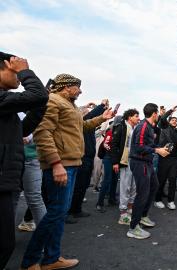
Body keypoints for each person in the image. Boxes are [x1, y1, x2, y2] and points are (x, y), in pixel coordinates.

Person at [21, 73, 114, 269]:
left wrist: (101, 118)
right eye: (77, 87)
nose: (80, 91)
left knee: (59, 213)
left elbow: (82, 126)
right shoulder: (53, 101)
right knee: (55, 213)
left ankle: (52, 258)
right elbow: (42, 132)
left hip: (70, 164)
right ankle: (30, 261)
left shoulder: (68, 105)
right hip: (61, 165)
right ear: (66, 87)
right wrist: (55, 164)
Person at [0, 52, 49, 269]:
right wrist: (26, 71)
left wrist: (40, 105)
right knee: (3, 243)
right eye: (14, 70)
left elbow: (23, 130)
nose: (18, 76)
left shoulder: (5, 101)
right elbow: (36, 95)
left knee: (5, 241)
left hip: (7, 180)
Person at [127, 103, 169, 239]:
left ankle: (143, 216)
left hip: (147, 162)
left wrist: (161, 148)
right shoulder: (143, 126)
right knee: (142, 193)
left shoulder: (150, 127)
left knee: (154, 186)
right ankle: (133, 228)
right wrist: (157, 150)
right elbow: (138, 147)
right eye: (158, 114)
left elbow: (149, 145)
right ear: (154, 114)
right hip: (139, 162)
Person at [67, 100, 108, 223]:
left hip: (89, 158)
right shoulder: (80, 123)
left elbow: (92, 117)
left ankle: (77, 209)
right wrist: (101, 106)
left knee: (83, 185)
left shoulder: (89, 127)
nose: (88, 114)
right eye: (85, 112)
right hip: (82, 158)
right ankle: (69, 211)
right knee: (77, 186)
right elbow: (90, 116)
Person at [111, 109, 140, 225]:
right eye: (136, 116)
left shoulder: (135, 129)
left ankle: (130, 208)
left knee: (134, 187)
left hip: (135, 162)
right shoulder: (121, 127)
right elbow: (114, 145)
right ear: (129, 117)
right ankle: (123, 214)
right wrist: (115, 162)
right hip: (124, 162)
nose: (138, 118)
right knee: (125, 187)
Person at [155, 115, 177, 210]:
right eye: (173, 120)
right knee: (161, 180)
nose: (174, 121)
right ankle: (157, 200)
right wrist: (170, 111)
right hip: (164, 158)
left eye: (176, 120)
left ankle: (171, 201)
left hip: (174, 159)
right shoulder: (165, 127)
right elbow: (162, 119)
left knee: (173, 180)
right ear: (169, 121)